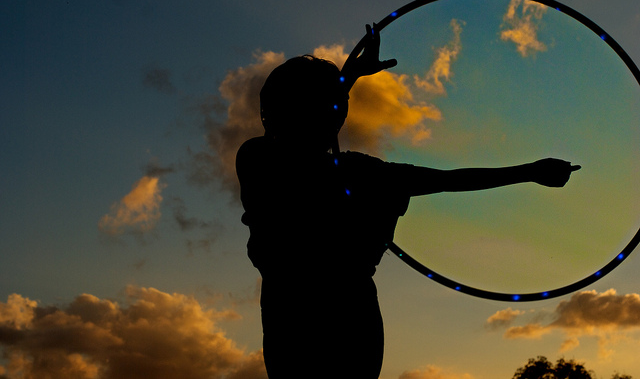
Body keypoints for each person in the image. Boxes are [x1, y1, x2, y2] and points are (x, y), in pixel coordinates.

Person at [236, 24, 580, 379]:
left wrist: (530, 171)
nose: (340, 111)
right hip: (333, 323)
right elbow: (447, 180)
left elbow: (447, 180)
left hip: (304, 321)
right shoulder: (284, 162)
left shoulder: (264, 159)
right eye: (333, 104)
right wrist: (529, 171)